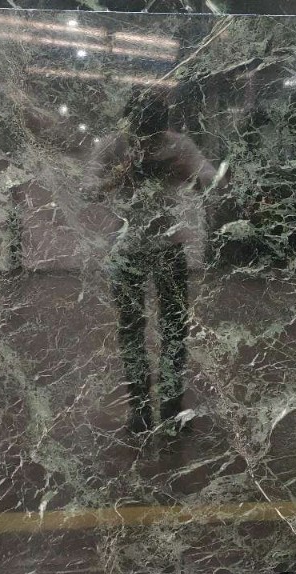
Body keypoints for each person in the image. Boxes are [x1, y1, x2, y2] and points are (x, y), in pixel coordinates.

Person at [86, 90, 222, 435]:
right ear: (131, 125)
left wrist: (185, 173)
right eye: (143, 134)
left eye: (155, 135)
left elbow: (210, 180)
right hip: (126, 247)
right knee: (131, 328)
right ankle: (140, 408)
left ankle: (172, 405)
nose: (149, 142)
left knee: (174, 326)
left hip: (168, 246)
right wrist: (122, 174)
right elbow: (88, 190)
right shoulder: (114, 145)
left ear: (164, 127)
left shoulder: (177, 144)